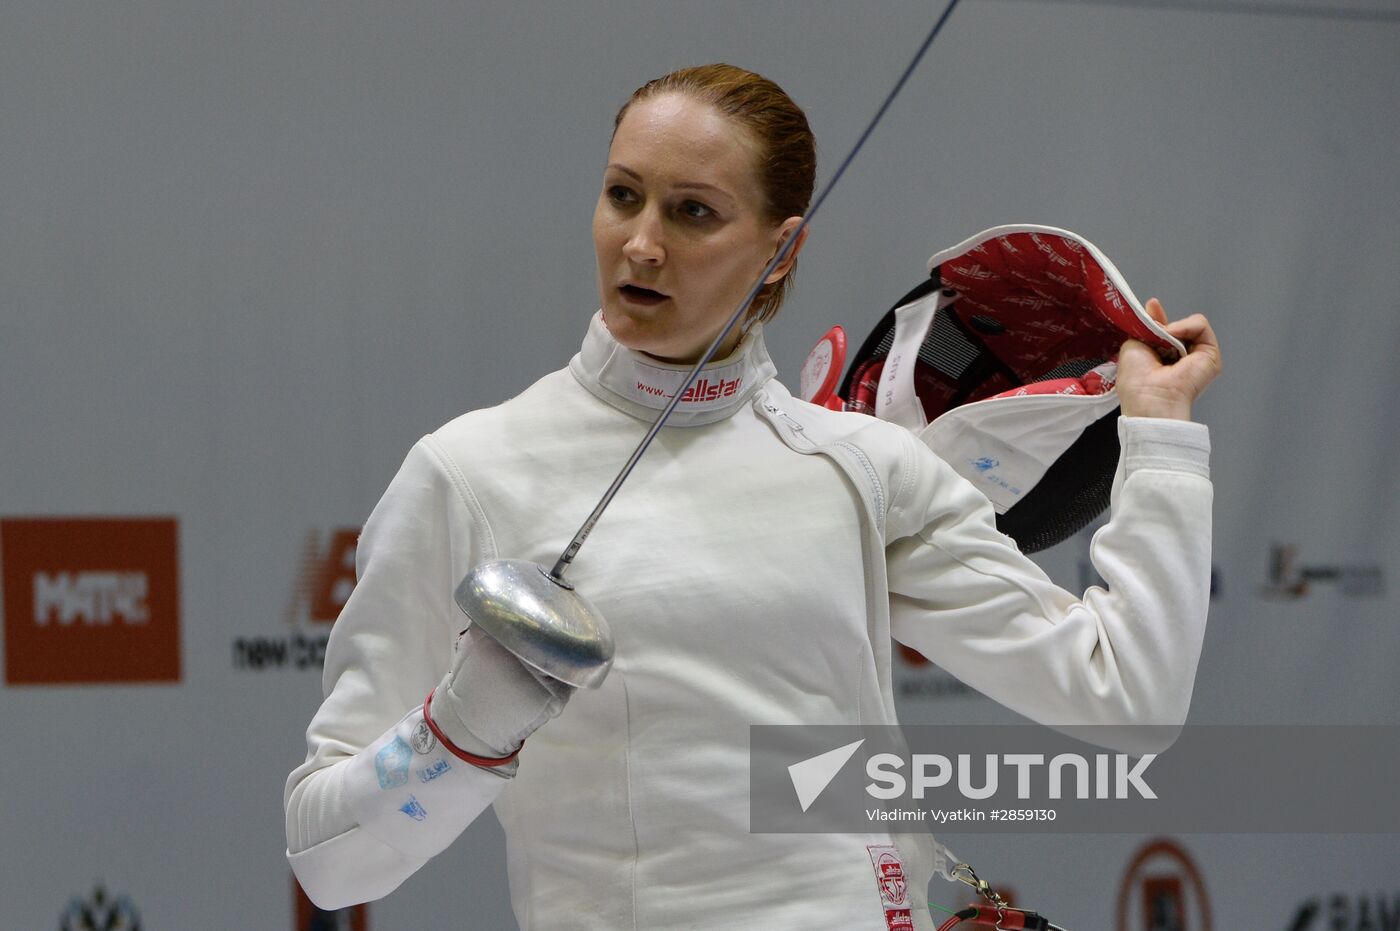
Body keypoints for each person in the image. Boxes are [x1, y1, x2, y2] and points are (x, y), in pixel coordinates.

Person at [284, 63, 1221, 930]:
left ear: (781, 250)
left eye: (693, 211)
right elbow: (329, 863)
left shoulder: (862, 466)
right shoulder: (471, 471)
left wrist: (1161, 434)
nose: (641, 243)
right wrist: (460, 733)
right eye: (623, 196)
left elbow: (1129, 695)